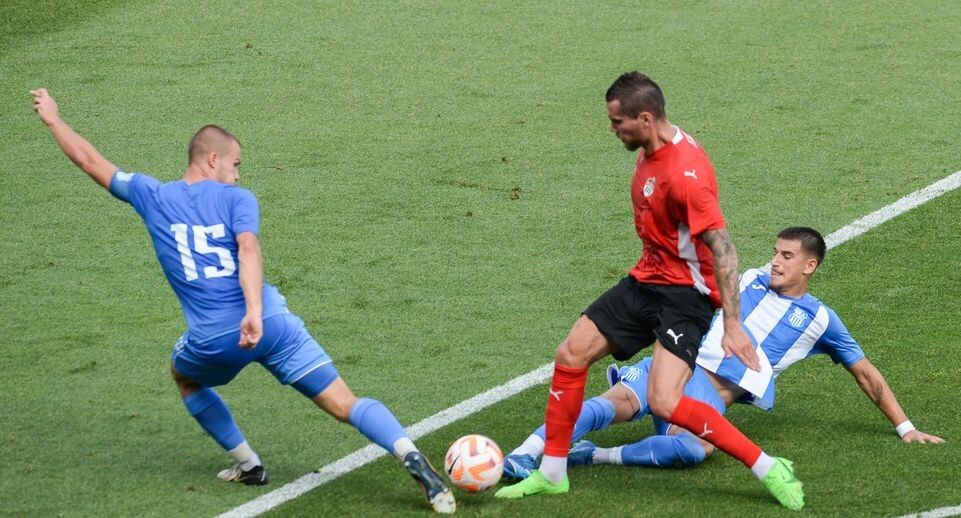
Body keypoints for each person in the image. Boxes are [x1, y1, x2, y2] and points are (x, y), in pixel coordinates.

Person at [31, 89, 455, 514]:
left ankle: (249, 466)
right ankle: (410, 454)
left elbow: (89, 160)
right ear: (212, 158)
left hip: (217, 338)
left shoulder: (152, 195)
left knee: (185, 377)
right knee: (345, 403)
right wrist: (254, 311)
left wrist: (54, 120)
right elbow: (248, 249)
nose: (236, 175)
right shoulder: (239, 199)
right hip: (274, 323)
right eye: (235, 164)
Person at [494, 72, 804, 511]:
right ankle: (552, 473)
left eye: (617, 121)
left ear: (645, 118)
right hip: (647, 280)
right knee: (571, 353)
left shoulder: (686, 176)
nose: (612, 129)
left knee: (664, 400)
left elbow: (725, 250)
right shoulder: (651, 149)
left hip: (686, 297)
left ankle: (767, 466)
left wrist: (732, 325)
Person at [502, 227, 944, 476]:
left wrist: (905, 427)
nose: (775, 261)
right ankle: (525, 452)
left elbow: (864, 371)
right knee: (612, 405)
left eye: (787, 256)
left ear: (810, 265)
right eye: (775, 252)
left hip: (708, 399)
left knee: (695, 451)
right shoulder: (746, 278)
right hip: (677, 365)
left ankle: (592, 455)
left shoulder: (820, 320)